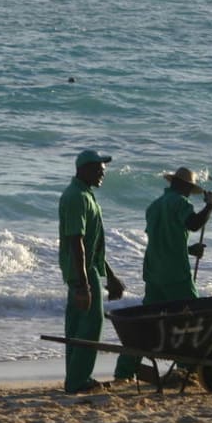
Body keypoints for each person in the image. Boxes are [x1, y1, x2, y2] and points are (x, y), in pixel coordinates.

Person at [113, 166, 212, 382]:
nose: (190, 194)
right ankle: (186, 368)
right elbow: (193, 224)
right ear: (184, 187)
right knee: (191, 320)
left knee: (145, 324)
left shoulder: (153, 207)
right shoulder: (181, 203)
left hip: (154, 274)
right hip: (176, 274)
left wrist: (189, 250)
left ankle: (124, 372)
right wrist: (210, 206)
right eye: (189, 189)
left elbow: (163, 241)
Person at [58, 149, 125, 394]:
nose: (102, 174)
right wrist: (84, 284)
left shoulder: (85, 194)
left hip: (85, 270)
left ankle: (74, 378)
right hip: (82, 272)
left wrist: (110, 275)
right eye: (98, 169)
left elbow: (92, 245)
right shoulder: (77, 197)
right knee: (91, 323)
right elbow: (76, 241)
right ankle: (78, 380)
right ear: (83, 170)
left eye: (103, 169)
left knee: (77, 326)